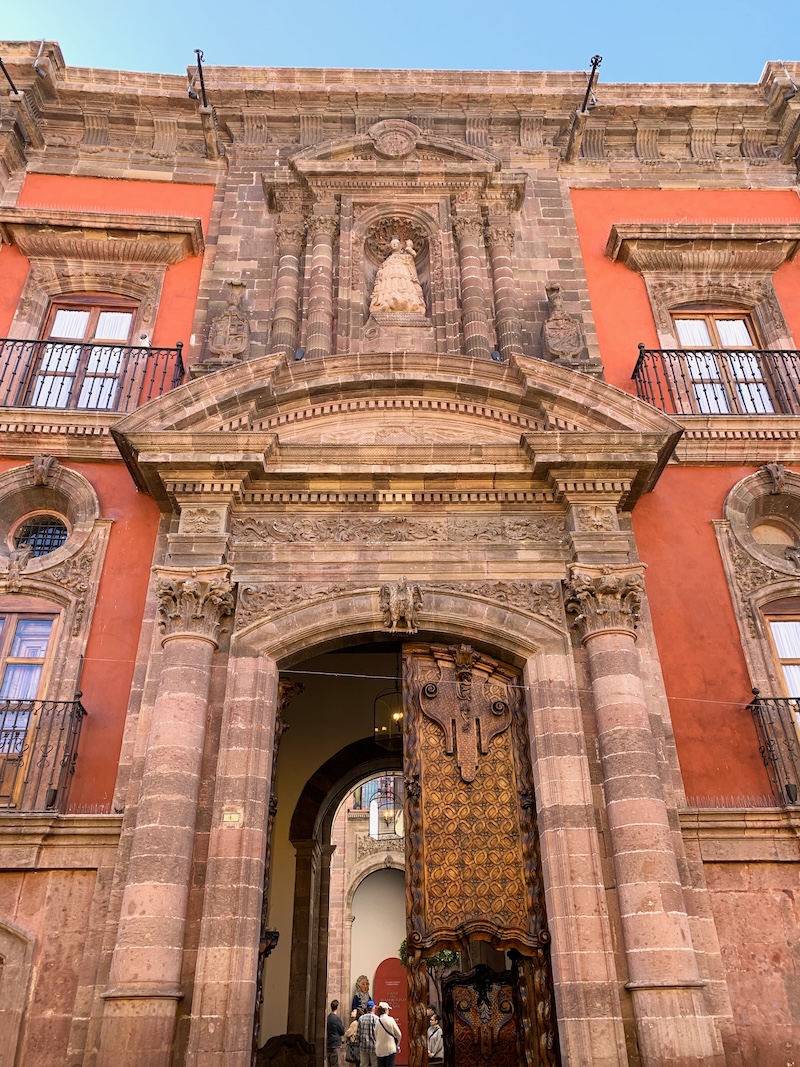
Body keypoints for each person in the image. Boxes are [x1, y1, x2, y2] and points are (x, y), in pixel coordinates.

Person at [369, 236, 426, 316]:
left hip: (402, 272)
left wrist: (409, 248)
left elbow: (412, 256)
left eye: (396, 243)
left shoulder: (404, 256)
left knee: (403, 285)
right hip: (389, 274)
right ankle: (386, 302)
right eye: (392, 244)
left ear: (400, 246)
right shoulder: (388, 260)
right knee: (389, 285)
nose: (394, 245)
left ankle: (408, 301)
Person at [374, 1002, 402, 1067]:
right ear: (386, 1010)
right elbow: (399, 1034)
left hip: (379, 1049)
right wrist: (397, 1044)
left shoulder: (377, 1021)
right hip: (390, 1048)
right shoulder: (390, 1020)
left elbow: (375, 1035)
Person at [357, 1001, 378, 1067]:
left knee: (363, 1065)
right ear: (373, 1008)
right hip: (373, 1046)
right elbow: (377, 1033)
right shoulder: (376, 1019)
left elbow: (358, 1033)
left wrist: (359, 1042)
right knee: (375, 1064)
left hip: (363, 1046)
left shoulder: (361, 1018)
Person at [327, 1000, 345, 1067]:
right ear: (337, 1007)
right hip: (335, 1044)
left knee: (329, 1064)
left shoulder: (328, 1018)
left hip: (328, 1043)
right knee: (335, 1064)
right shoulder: (337, 1019)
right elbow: (342, 1031)